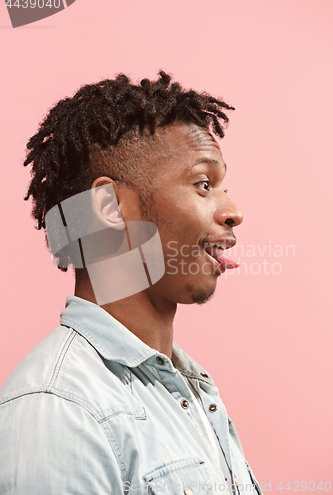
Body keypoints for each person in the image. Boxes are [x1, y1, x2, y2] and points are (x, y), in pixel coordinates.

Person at [0, 71, 262, 494]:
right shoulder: (60, 407)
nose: (232, 210)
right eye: (203, 184)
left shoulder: (190, 390)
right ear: (109, 206)